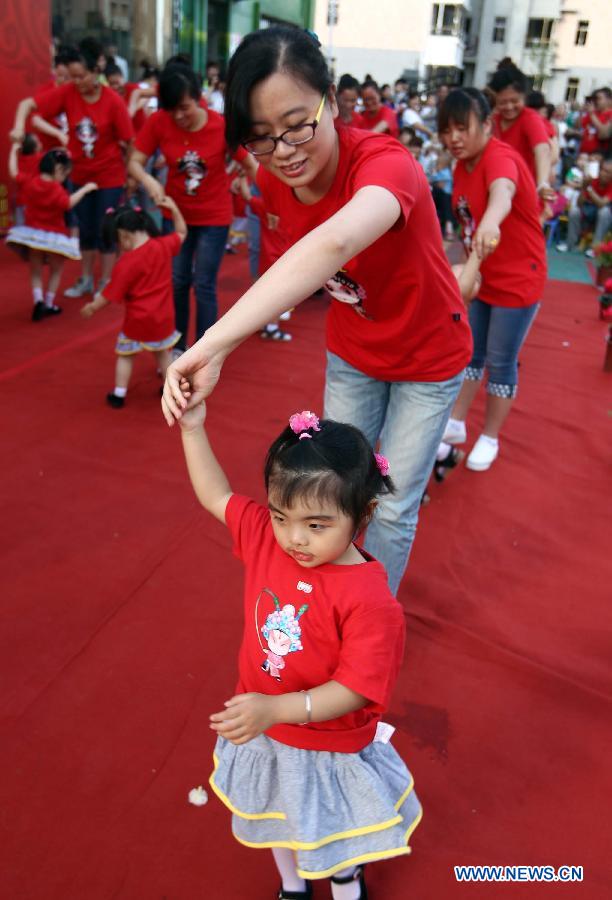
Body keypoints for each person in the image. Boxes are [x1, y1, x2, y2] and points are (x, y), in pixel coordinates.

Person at [161, 26, 472, 595]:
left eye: (298, 124)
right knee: (332, 487)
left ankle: (369, 621)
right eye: (261, 137)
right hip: (354, 351)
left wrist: (204, 342)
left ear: (332, 100)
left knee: (394, 503)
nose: (283, 151)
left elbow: (330, 247)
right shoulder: (273, 182)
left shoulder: (386, 165)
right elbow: (294, 272)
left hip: (429, 357)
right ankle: (331, 605)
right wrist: (222, 351)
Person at [177, 402, 422, 898]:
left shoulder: (370, 599)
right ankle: (292, 885)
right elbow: (216, 494)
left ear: (364, 514)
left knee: (331, 820)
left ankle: (345, 878)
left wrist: (277, 709)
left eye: (316, 525)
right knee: (277, 813)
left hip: (325, 740)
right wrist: (194, 426)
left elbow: (355, 689)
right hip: (266, 726)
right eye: (280, 516)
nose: (293, 539)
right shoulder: (268, 539)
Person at [439, 87, 546, 471]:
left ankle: (490, 437)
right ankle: (455, 423)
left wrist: (491, 220)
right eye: (446, 129)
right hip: (481, 276)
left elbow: (502, 192)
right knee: (472, 352)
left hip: (518, 280)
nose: (453, 138)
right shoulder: (460, 163)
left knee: (501, 361)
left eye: (461, 128)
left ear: (486, 125)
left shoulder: (499, 156)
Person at [128, 63, 257, 356]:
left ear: (199, 97)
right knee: (177, 280)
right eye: (172, 109)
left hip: (214, 217)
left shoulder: (220, 126)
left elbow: (251, 163)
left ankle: (204, 350)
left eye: (184, 107)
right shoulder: (159, 122)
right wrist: (149, 181)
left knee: (204, 283)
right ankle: (177, 345)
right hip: (175, 215)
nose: (179, 116)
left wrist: (249, 188)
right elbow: (135, 161)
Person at [9, 37, 135, 298]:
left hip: (109, 176)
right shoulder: (68, 92)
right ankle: (87, 278)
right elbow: (27, 105)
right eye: (72, 77)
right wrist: (19, 127)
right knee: (85, 229)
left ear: (95, 72)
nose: (76, 82)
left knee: (105, 229)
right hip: (80, 173)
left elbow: (129, 141)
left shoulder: (112, 101)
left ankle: (107, 281)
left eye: (81, 76)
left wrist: (130, 175)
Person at [80, 198, 185, 408]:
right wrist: (174, 209)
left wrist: (92, 307)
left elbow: (110, 295)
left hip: (137, 320)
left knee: (126, 355)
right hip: (163, 317)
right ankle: (170, 390)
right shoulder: (163, 246)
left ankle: (119, 393)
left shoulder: (127, 262)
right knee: (163, 354)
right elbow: (182, 233)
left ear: (123, 235)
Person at [6, 149, 96, 320]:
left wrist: (14, 151)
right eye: (65, 174)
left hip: (32, 235)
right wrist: (85, 189)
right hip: (54, 236)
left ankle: (38, 300)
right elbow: (68, 203)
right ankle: (49, 303)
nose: (64, 179)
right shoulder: (56, 189)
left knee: (36, 270)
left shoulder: (31, 182)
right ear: (58, 170)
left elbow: (13, 172)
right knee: (56, 270)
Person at [488, 63, 554, 206]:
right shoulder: (492, 121)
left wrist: (542, 182)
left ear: (524, 97)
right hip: (498, 192)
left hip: (525, 195)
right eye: (503, 102)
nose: (509, 107)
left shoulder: (530, 118)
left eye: (515, 101)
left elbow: (542, 150)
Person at [556, 155, 612, 256]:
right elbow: (579, 203)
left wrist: (589, 189)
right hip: (588, 209)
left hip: (603, 215)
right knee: (574, 210)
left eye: (607, 172)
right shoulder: (593, 179)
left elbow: (601, 204)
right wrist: (584, 188)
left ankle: (595, 248)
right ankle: (570, 244)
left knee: (604, 212)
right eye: (602, 170)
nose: (603, 173)